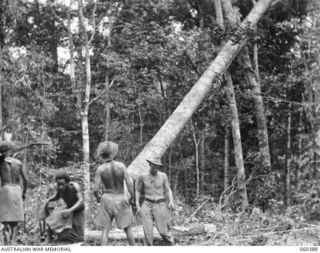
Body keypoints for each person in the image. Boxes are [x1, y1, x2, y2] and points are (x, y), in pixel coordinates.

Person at [93, 141, 135, 246]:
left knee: (105, 229)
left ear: (103, 154)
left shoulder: (100, 169)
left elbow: (95, 189)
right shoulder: (121, 166)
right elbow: (129, 183)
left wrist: (98, 198)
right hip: (121, 198)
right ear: (113, 153)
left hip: (106, 198)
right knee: (128, 228)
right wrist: (133, 197)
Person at [136, 157, 175, 246]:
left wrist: (171, 201)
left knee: (163, 230)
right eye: (154, 166)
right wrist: (137, 204)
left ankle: (172, 245)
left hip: (160, 203)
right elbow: (137, 190)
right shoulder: (143, 176)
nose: (156, 168)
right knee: (148, 232)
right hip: (147, 203)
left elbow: (168, 190)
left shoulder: (163, 176)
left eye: (157, 167)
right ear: (150, 165)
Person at [41, 172, 84, 244]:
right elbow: (57, 196)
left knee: (78, 235)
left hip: (78, 210)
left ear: (68, 182)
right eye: (59, 184)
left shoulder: (75, 187)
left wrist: (70, 210)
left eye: (62, 184)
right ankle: (49, 239)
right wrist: (48, 200)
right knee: (51, 219)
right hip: (68, 208)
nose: (60, 187)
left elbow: (81, 200)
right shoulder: (59, 188)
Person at [0, 141, 28, 244]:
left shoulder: (1, 162)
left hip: (6, 189)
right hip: (17, 190)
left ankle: (6, 242)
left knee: (4, 217)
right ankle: (12, 241)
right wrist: (24, 193)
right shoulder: (19, 163)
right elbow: (26, 180)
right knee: (15, 218)